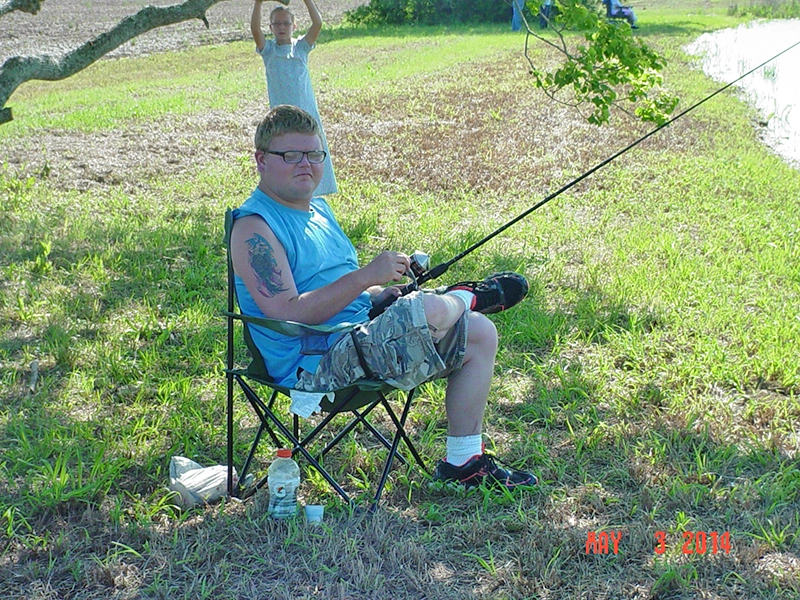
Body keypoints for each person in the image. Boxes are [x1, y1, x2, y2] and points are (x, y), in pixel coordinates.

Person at [229, 105, 538, 491]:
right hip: (312, 365)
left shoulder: (320, 211)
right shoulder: (253, 228)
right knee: (428, 310)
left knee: (479, 331)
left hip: (357, 336)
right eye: (290, 155)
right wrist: (365, 277)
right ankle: (463, 296)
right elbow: (289, 318)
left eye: (314, 154)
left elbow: (344, 290)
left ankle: (464, 462)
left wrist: (380, 294)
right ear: (261, 159)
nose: (305, 164)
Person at [251, 0, 338, 196]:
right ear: (271, 27)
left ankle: (314, 196)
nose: (281, 27)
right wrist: (258, 3)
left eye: (286, 23)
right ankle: (286, 194)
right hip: (283, 119)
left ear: (294, 26)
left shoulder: (301, 48)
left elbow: (317, 24)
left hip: (306, 114)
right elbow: (255, 29)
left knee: (311, 154)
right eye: (277, 23)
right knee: (287, 156)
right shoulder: (269, 51)